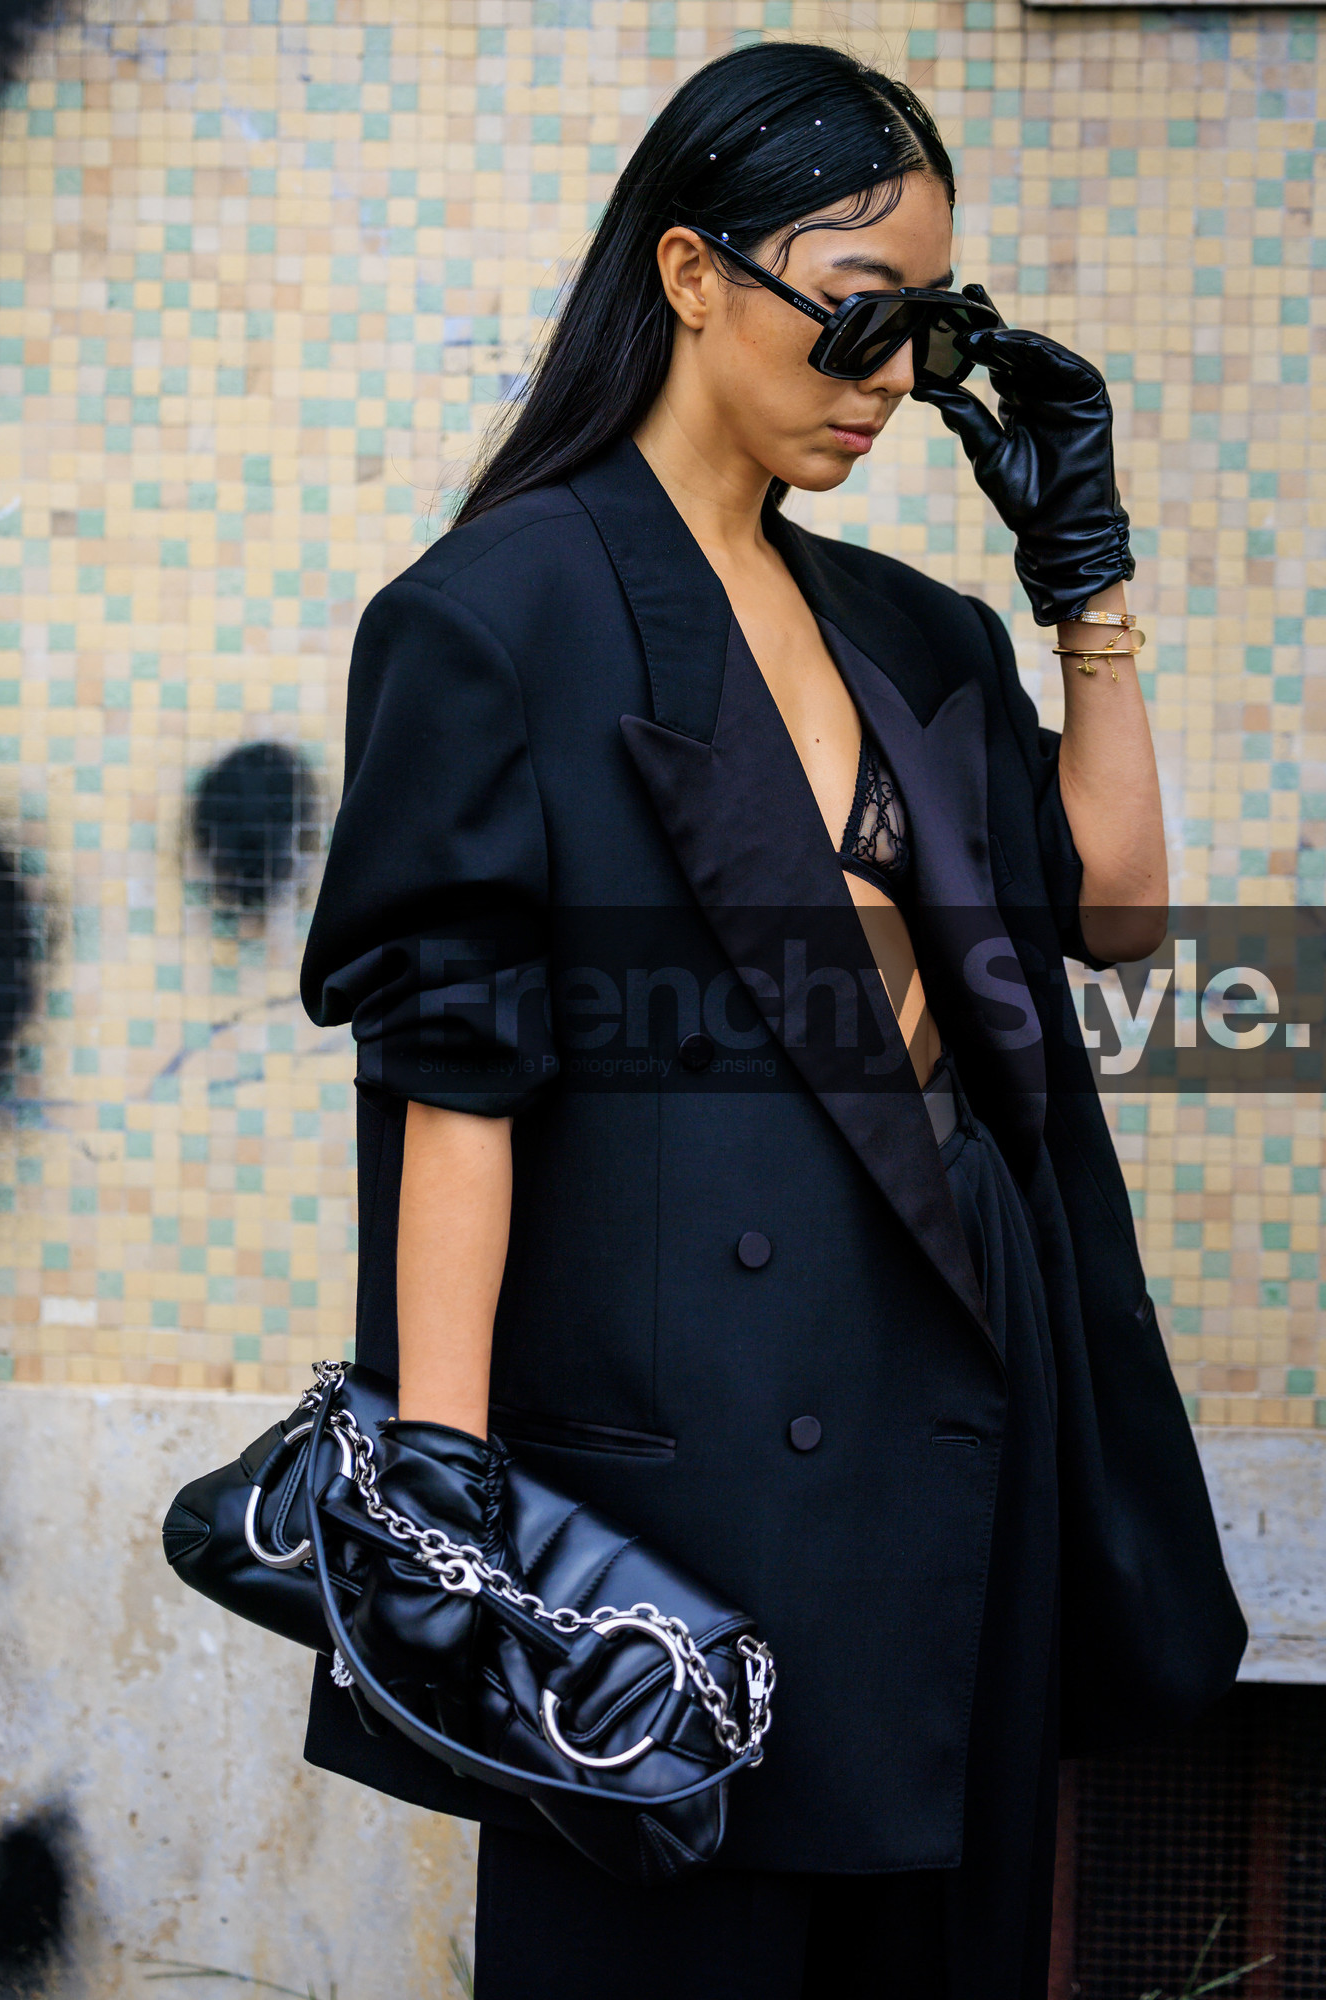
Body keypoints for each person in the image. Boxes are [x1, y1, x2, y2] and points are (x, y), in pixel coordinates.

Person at [299, 41, 1245, 2000]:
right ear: (689, 273)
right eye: (852, 318)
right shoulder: (496, 617)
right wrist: (453, 1491)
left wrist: (1081, 578)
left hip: (962, 1433)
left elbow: (1121, 919)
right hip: (680, 1496)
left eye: (923, 335)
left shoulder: (917, 630)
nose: (887, 384)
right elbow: (450, 1085)